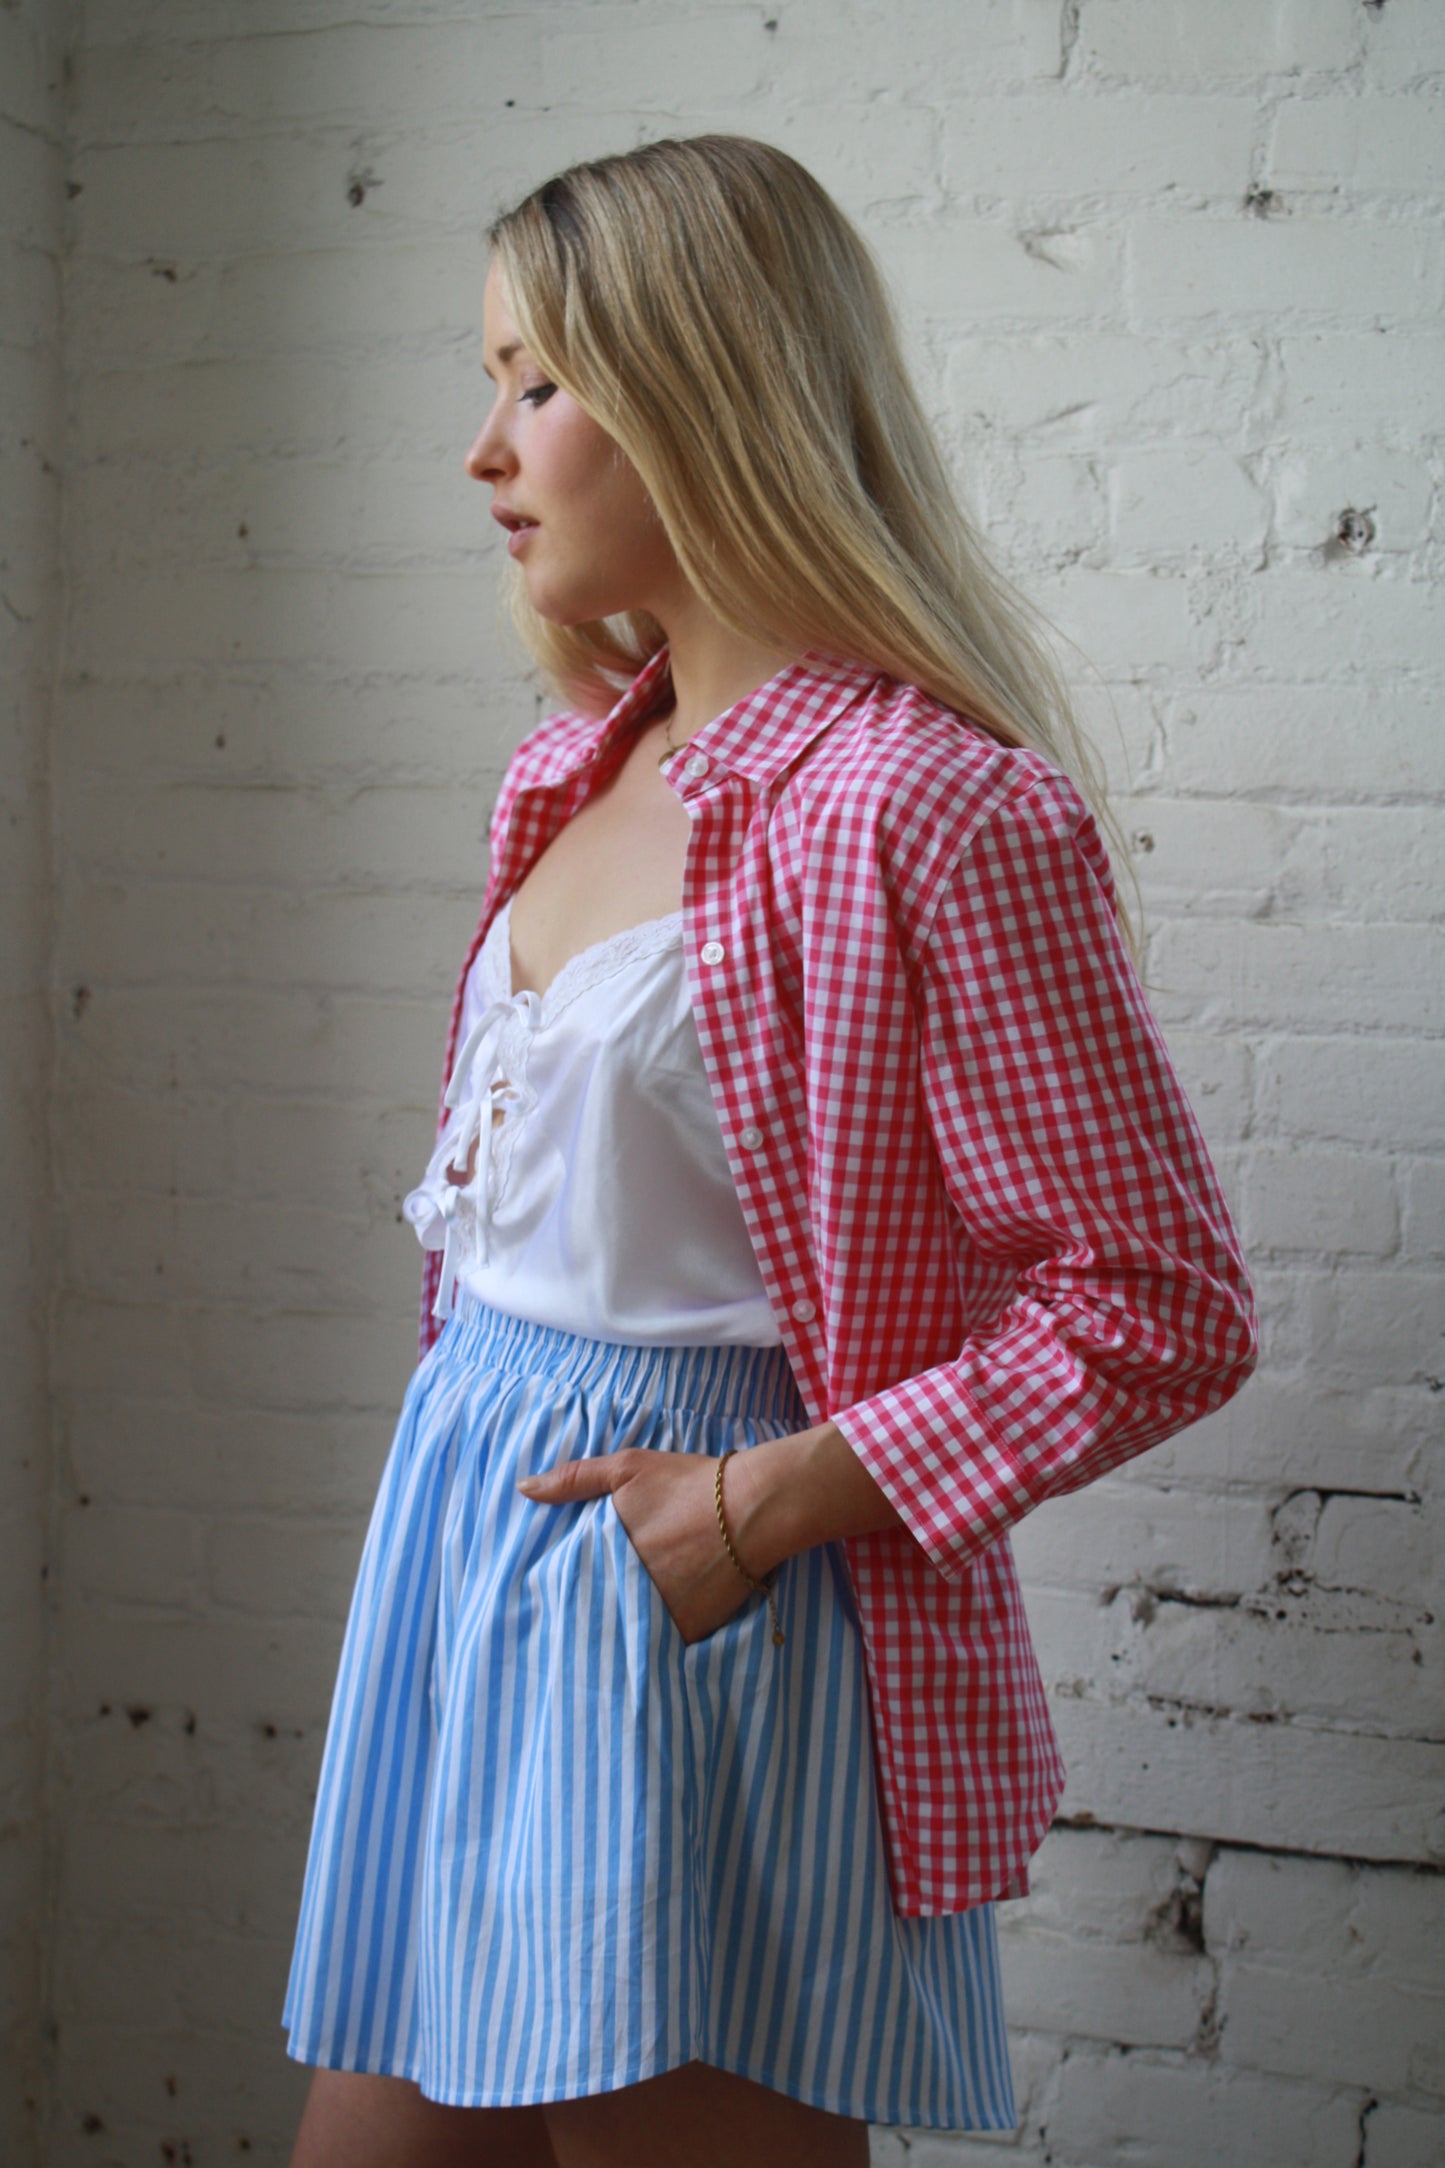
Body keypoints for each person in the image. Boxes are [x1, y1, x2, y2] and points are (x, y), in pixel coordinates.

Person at [281, 135, 1257, 2168]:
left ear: (705, 386)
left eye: (538, 382)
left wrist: (777, 1495)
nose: (484, 449)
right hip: (468, 1547)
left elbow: (1158, 1305)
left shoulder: (933, 808)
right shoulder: (566, 772)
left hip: (704, 1598)